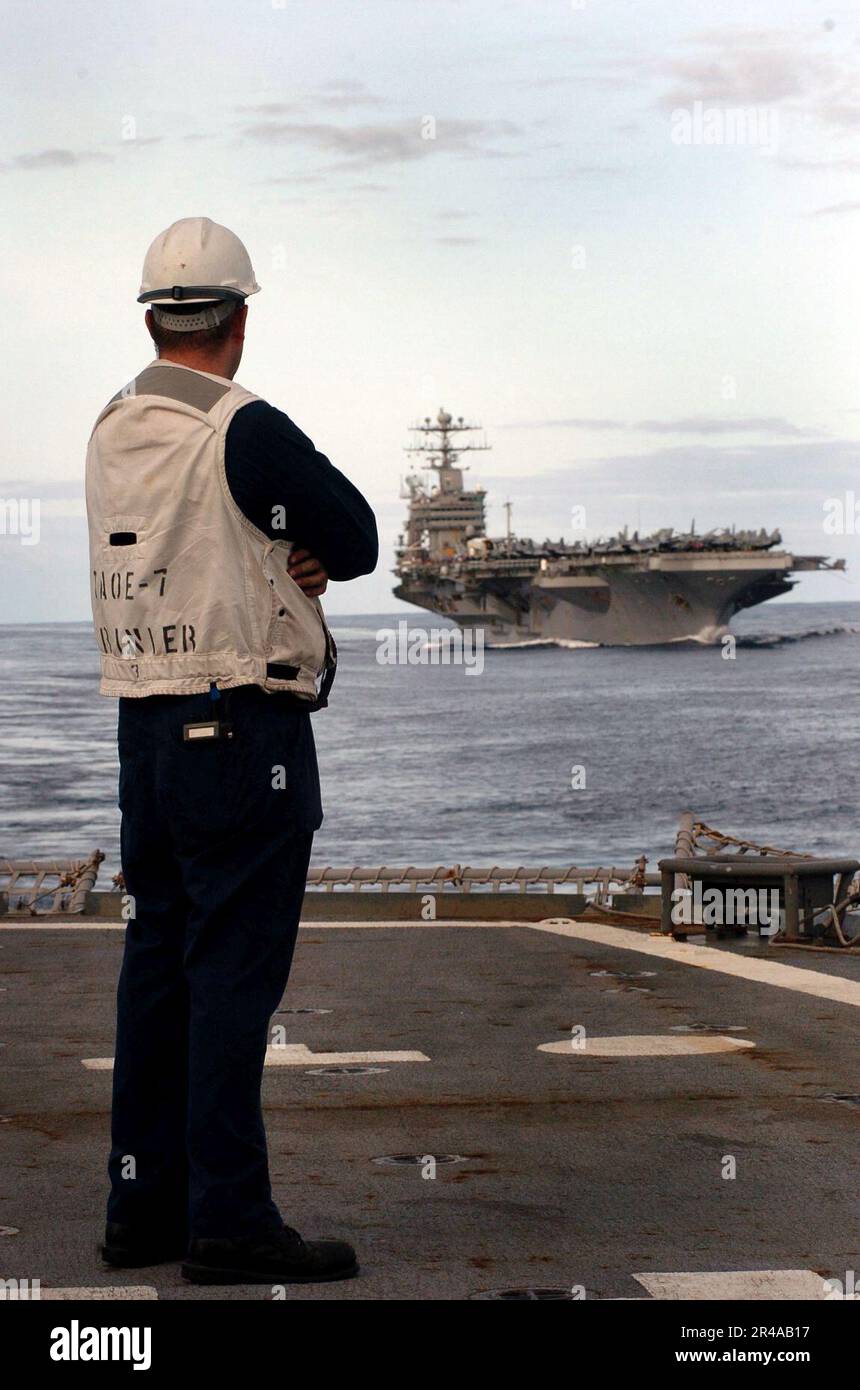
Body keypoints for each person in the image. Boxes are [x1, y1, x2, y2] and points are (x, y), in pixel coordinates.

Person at [85, 217, 377, 1285]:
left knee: (155, 968)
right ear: (239, 318)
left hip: (144, 731)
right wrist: (298, 550)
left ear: (156, 314)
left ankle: (139, 1209)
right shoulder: (244, 428)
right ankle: (230, 1223)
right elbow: (354, 537)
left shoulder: (111, 426)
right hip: (241, 731)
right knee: (231, 980)